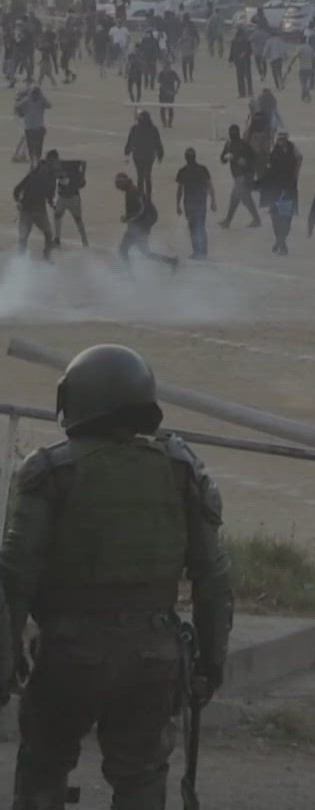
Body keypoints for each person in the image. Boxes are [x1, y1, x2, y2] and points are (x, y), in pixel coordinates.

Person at [0, 344, 234, 810]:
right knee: (142, 776)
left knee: (44, 765)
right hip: (154, 653)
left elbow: (14, 579)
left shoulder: (47, 472)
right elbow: (213, 578)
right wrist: (211, 664)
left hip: (68, 650)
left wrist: (5, 667)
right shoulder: (182, 469)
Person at [114, 171, 177, 272]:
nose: (117, 186)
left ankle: (129, 274)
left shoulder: (133, 192)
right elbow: (137, 210)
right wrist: (129, 218)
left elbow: (142, 209)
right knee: (144, 252)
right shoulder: (131, 191)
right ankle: (171, 261)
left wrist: (130, 219)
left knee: (124, 249)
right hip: (140, 225)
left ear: (124, 182)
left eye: (119, 183)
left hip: (140, 225)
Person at [13, 154, 57, 258]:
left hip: (35, 211)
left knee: (26, 237)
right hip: (31, 211)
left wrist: (53, 205)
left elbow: (49, 197)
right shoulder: (38, 176)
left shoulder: (38, 175)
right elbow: (17, 190)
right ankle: (25, 259)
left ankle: (43, 257)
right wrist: (18, 201)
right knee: (45, 234)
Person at [175, 147, 216, 259]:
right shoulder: (203, 169)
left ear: (186, 158)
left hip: (189, 203)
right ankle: (203, 251)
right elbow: (210, 186)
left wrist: (178, 205)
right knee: (201, 226)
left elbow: (179, 190)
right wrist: (213, 201)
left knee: (193, 227)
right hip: (201, 202)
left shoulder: (182, 171)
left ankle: (197, 251)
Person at [218, 124, 261, 228]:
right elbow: (222, 159)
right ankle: (256, 220)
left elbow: (252, 159)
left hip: (243, 176)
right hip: (237, 176)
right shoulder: (229, 144)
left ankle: (228, 221)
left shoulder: (243, 145)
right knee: (242, 199)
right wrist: (226, 157)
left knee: (237, 198)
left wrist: (238, 159)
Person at [120, 110, 164, 203]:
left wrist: (127, 154)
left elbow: (130, 142)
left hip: (138, 156)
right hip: (148, 156)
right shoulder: (153, 129)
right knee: (147, 176)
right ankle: (148, 197)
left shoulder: (135, 129)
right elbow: (158, 143)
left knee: (140, 177)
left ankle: (141, 196)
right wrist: (160, 155)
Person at [49, 151, 87, 248]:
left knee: (60, 216)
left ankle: (58, 239)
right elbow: (83, 166)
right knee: (76, 219)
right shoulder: (73, 167)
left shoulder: (62, 166)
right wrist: (82, 174)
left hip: (67, 196)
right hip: (70, 196)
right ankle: (84, 240)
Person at [15, 82, 50, 164]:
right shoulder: (37, 98)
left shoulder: (27, 97)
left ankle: (22, 155)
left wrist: (21, 113)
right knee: (28, 140)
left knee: (27, 140)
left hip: (29, 124)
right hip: (33, 125)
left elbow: (17, 106)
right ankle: (20, 155)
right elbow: (49, 105)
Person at [228, 28, 253, 98]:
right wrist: (230, 60)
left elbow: (232, 51)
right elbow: (250, 50)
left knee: (241, 78)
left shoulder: (235, 41)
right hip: (244, 61)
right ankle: (248, 92)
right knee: (245, 77)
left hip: (240, 61)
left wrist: (230, 60)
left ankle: (243, 93)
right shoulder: (246, 41)